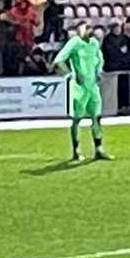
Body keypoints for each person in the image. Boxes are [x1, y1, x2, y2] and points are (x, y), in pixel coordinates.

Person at [55, 21, 109, 162]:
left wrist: (99, 71)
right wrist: (70, 74)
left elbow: (100, 58)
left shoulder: (94, 43)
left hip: (92, 86)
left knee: (96, 117)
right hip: (78, 87)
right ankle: (76, 150)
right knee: (77, 119)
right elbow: (59, 60)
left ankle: (98, 149)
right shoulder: (74, 43)